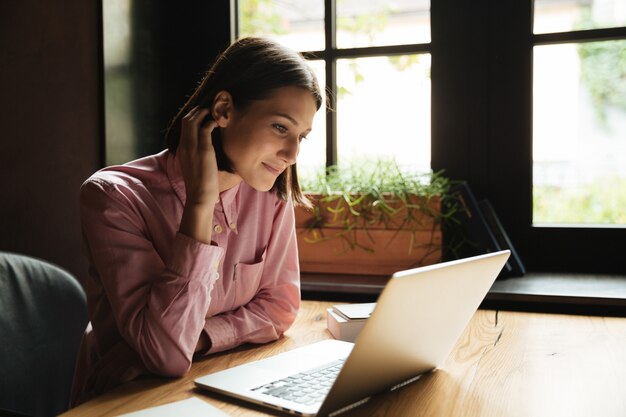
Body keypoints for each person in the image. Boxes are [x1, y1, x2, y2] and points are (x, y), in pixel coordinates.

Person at [70, 36, 322, 406]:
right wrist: (200, 204)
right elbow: (167, 356)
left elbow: (279, 307)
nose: (292, 154)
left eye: (301, 136)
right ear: (223, 109)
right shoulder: (113, 197)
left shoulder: (268, 193)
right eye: (281, 128)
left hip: (215, 381)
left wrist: (201, 337)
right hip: (124, 400)